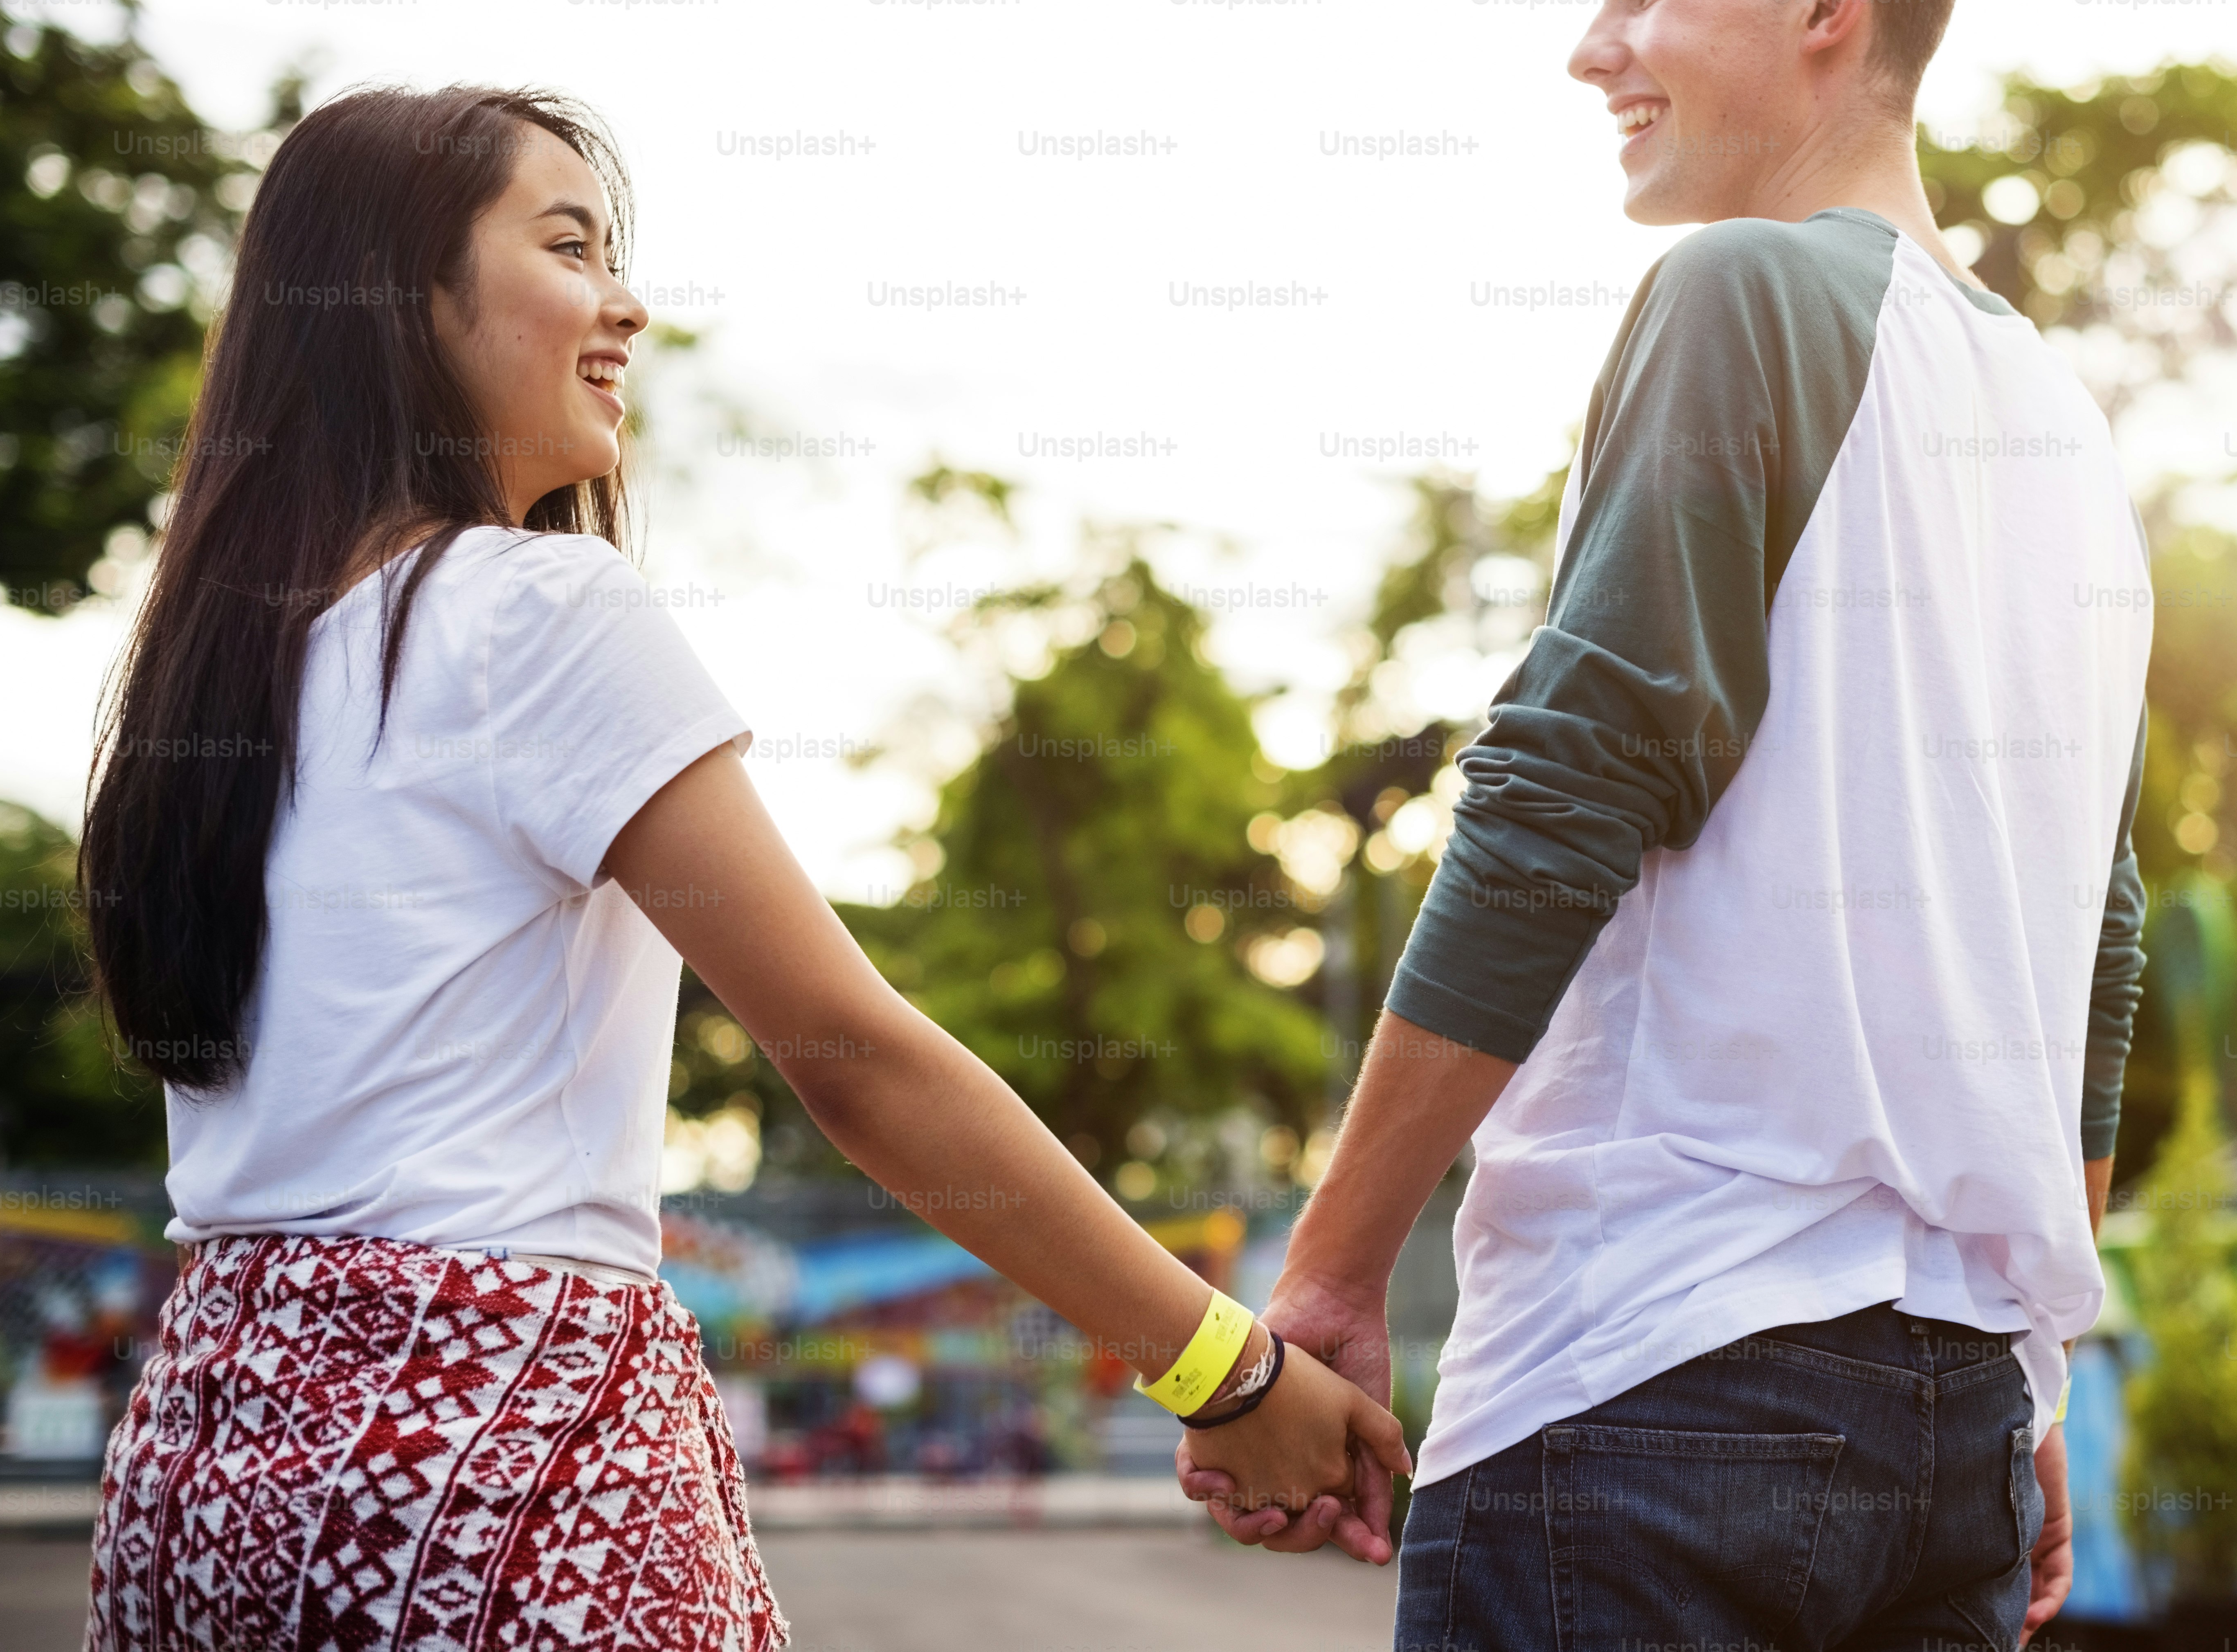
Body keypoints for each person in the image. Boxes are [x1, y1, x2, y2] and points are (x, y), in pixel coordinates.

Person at [77, 84, 1408, 1652]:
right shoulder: (536, 610)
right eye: (569, 245)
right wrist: (1225, 1372)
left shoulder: (224, 676)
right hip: (489, 1459)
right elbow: (855, 1061)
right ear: (398, 299)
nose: (626, 303)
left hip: (207, 1464)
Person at [1180, 0, 2151, 1651]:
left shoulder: (1744, 289)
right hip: (1946, 1421)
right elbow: (2090, 948)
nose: (1588, 51)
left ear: (1826, 3)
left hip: (1659, 1380)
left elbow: (1571, 783)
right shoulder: (2068, 430)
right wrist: (2032, 1350)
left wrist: (1331, 1269)